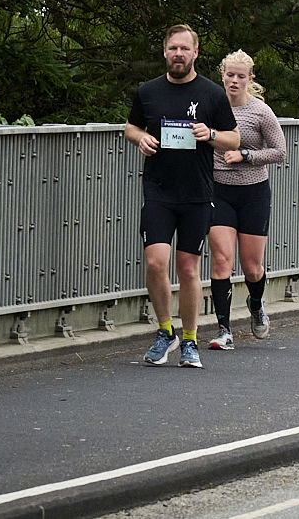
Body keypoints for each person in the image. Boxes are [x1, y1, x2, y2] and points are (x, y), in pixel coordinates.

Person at [125, 24, 241, 369]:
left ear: (195, 53)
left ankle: (190, 339)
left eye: (184, 49)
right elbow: (130, 126)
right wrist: (139, 138)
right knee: (155, 262)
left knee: (188, 267)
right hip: (159, 190)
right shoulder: (148, 91)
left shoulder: (211, 94)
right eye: (173, 48)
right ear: (164, 52)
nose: (178, 54)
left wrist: (211, 134)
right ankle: (165, 331)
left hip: (196, 193)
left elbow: (233, 139)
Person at [206, 50, 287, 350]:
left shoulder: (259, 112)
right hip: (218, 191)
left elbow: (280, 151)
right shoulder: (211, 108)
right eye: (230, 75)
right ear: (222, 76)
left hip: (253, 192)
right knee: (221, 259)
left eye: (241, 76)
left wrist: (246, 155)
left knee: (252, 267)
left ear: (250, 79)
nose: (235, 81)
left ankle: (255, 303)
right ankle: (223, 329)